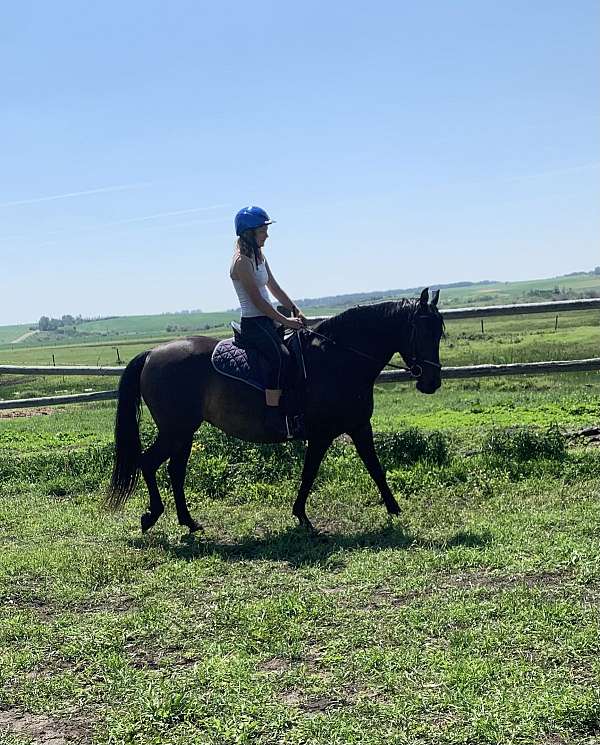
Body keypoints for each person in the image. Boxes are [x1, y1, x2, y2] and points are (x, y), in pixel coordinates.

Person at [230, 206, 307, 437]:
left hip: (268, 320)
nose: (267, 235)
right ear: (249, 233)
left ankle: (296, 410)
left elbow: (274, 288)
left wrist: (296, 309)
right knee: (281, 358)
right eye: (263, 230)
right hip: (254, 324)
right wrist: (286, 320)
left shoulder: (259, 257)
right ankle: (273, 416)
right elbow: (257, 301)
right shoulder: (241, 262)